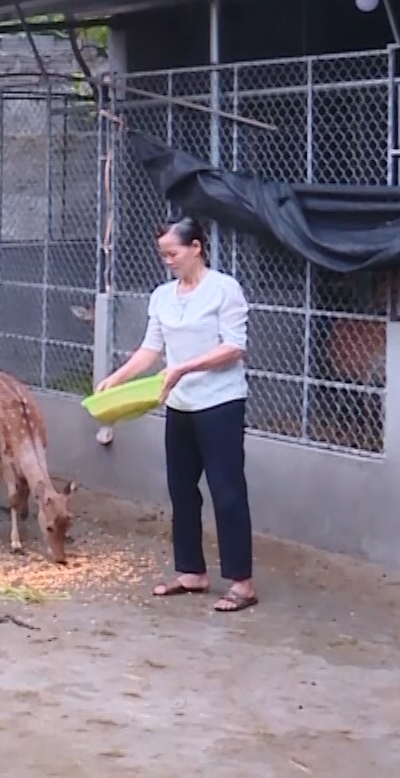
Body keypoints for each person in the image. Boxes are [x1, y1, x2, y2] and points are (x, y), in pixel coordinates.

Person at [95, 217, 257, 613]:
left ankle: (241, 582)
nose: (167, 260)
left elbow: (234, 347)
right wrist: (115, 377)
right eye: (162, 254)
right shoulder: (163, 295)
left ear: (196, 247)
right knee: (182, 490)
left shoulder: (224, 290)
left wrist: (183, 368)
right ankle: (191, 572)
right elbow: (152, 348)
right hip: (180, 404)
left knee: (226, 490)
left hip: (220, 402)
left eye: (173, 252)